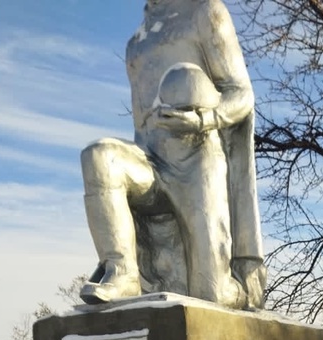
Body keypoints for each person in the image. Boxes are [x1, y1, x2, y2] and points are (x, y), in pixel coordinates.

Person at [79, 0, 266, 310]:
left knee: (212, 297)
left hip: (199, 162)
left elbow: (241, 94)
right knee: (100, 158)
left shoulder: (205, 11)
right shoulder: (136, 42)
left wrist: (204, 120)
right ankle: (122, 272)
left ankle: (245, 293)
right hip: (151, 161)